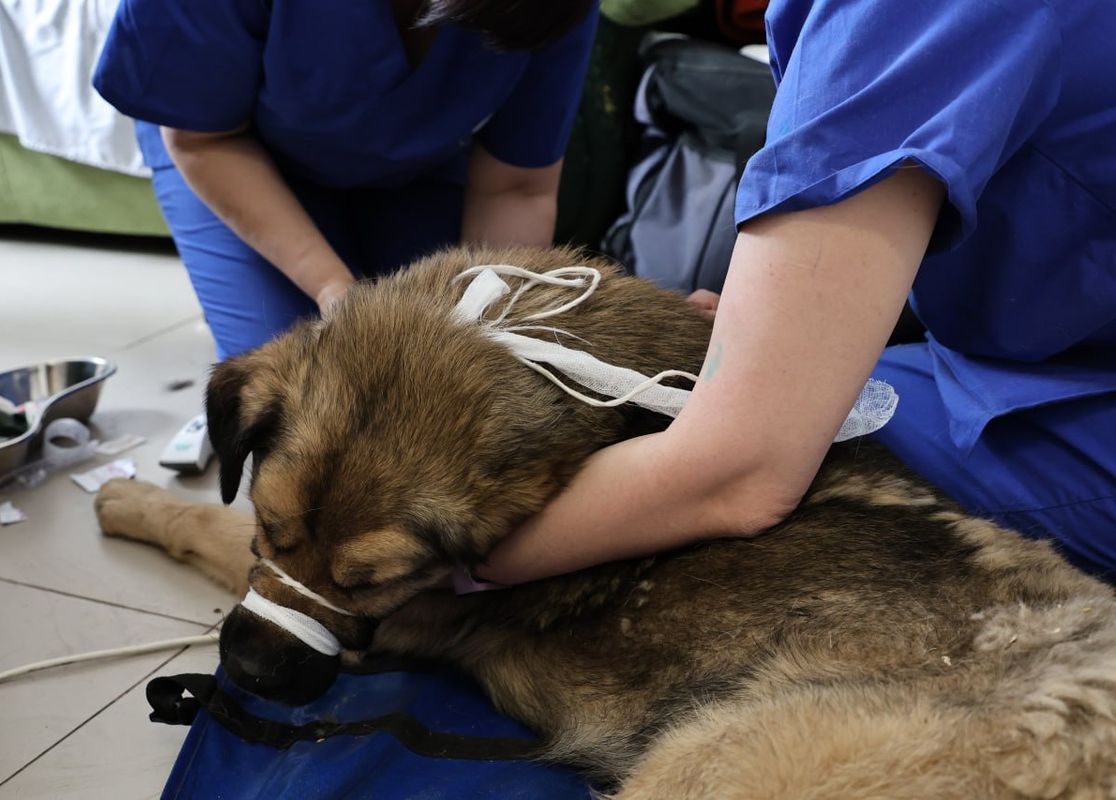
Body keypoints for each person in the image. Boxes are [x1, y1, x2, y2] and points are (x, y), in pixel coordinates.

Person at [477, 0, 1116, 586]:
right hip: (1035, 358)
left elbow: (740, 475)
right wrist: (782, 328)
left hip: (1082, 401)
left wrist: (436, 572)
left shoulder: (900, 13)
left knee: (673, 522)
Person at [93, 0, 599, 360]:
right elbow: (203, 141)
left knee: (439, 351)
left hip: (421, 162)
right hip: (227, 151)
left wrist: (496, 316)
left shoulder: (552, 12)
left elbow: (516, 186)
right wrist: (333, 285)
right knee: (304, 386)